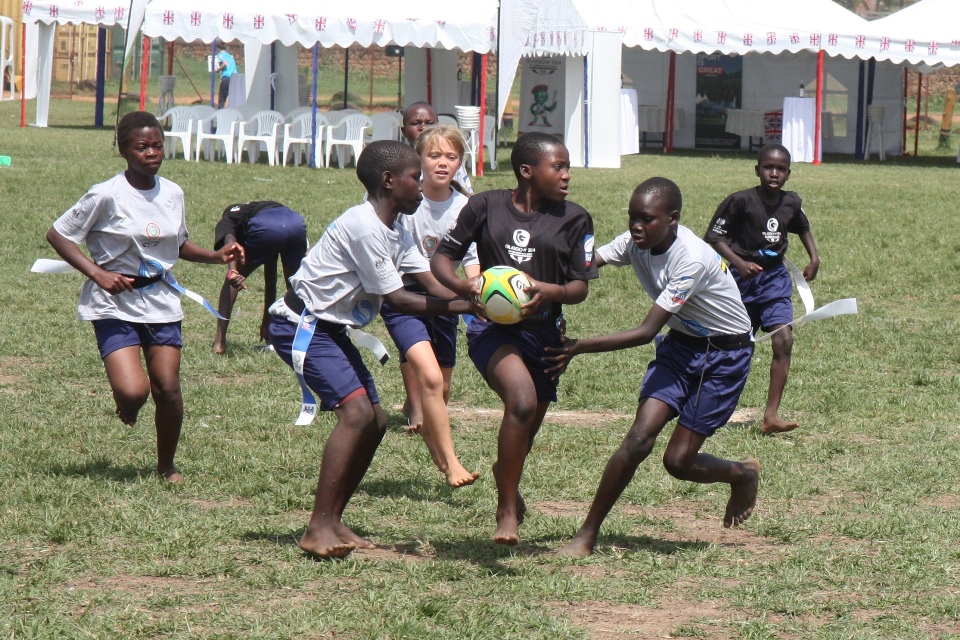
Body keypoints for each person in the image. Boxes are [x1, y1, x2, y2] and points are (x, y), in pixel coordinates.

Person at [267, 140, 476, 559]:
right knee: (357, 413)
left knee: (377, 421)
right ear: (388, 181)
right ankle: (316, 528)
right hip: (301, 326)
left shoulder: (397, 226)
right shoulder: (365, 226)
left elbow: (431, 283)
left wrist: (476, 295)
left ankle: (333, 519)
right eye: (415, 178)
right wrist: (467, 305)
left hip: (333, 330)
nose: (421, 187)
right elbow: (400, 300)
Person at [544, 177, 760, 558]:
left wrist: (577, 347)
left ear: (673, 219)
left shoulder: (690, 259)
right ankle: (587, 534)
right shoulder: (635, 241)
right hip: (681, 347)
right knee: (639, 437)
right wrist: (536, 274)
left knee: (678, 462)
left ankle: (742, 474)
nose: (636, 227)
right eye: (632, 218)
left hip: (724, 355)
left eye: (647, 219)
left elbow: (646, 332)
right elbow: (588, 262)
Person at [45, 111, 245, 483]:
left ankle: (166, 465)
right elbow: (58, 234)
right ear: (123, 150)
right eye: (142, 147)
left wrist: (217, 256)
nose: (152, 153)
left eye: (157, 145)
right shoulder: (106, 194)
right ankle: (129, 404)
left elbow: (178, 244)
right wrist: (97, 272)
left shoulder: (172, 192)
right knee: (134, 392)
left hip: (161, 299)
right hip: (113, 303)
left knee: (167, 388)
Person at [431, 132, 598, 546]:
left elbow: (579, 288)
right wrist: (462, 288)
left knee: (525, 427)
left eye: (567, 166)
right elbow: (441, 259)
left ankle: (505, 474)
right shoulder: (484, 206)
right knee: (520, 401)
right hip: (491, 327)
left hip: (544, 335)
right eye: (557, 167)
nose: (566, 175)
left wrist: (549, 290)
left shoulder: (576, 218)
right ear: (527, 171)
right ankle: (506, 510)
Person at [380, 125, 480, 487]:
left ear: (460, 163)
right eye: (434, 155)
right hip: (403, 296)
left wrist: (477, 289)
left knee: (443, 386)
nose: (442, 163)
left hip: (445, 296)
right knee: (431, 376)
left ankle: (431, 433)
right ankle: (451, 462)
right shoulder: (407, 199)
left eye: (451, 157)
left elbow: (471, 255)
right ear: (418, 159)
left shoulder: (467, 205)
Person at [704, 143, 820, 435]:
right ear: (757, 170)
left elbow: (802, 226)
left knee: (783, 339)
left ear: (789, 174)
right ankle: (706, 406)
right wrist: (739, 263)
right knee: (732, 349)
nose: (774, 173)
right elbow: (714, 237)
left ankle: (771, 416)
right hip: (740, 282)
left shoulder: (791, 202)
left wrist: (814, 257)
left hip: (774, 281)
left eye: (781, 169)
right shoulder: (740, 201)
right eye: (768, 167)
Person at [211, 201, 308, 354]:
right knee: (297, 288)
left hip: (266, 225)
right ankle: (304, 341)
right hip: (295, 223)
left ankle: (219, 342)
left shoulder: (229, 215)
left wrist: (233, 271)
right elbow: (270, 277)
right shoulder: (253, 211)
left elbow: (229, 240)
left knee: (231, 282)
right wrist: (267, 322)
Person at [402, 101, 473, 195]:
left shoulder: (451, 161)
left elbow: (467, 193)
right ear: (404, 131)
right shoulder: (399, 162)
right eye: (416, 123)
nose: (423, 127)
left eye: (430, 123)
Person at [214, 45, 238, 109]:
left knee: (222, 98)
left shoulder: (221, 54)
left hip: (226, 77)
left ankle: (220, 113)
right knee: (233, 99)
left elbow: (225, 63)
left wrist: (217, 70)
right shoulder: (230, 57)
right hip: (235, 78)